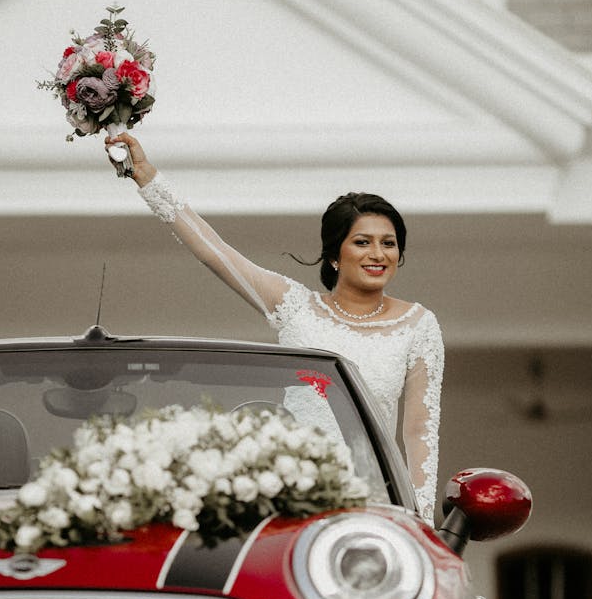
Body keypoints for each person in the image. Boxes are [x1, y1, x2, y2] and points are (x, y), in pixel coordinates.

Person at [106, 133, 444, 524]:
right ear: (334, 255)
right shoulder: (296, 308)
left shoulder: (418, 324)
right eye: (362, 242)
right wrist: (147, 178)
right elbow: (217, 254)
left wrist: (420, 521)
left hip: (372, 503)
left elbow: (420, 432)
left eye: (389, 243)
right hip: (290, 499)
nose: (377, 254)